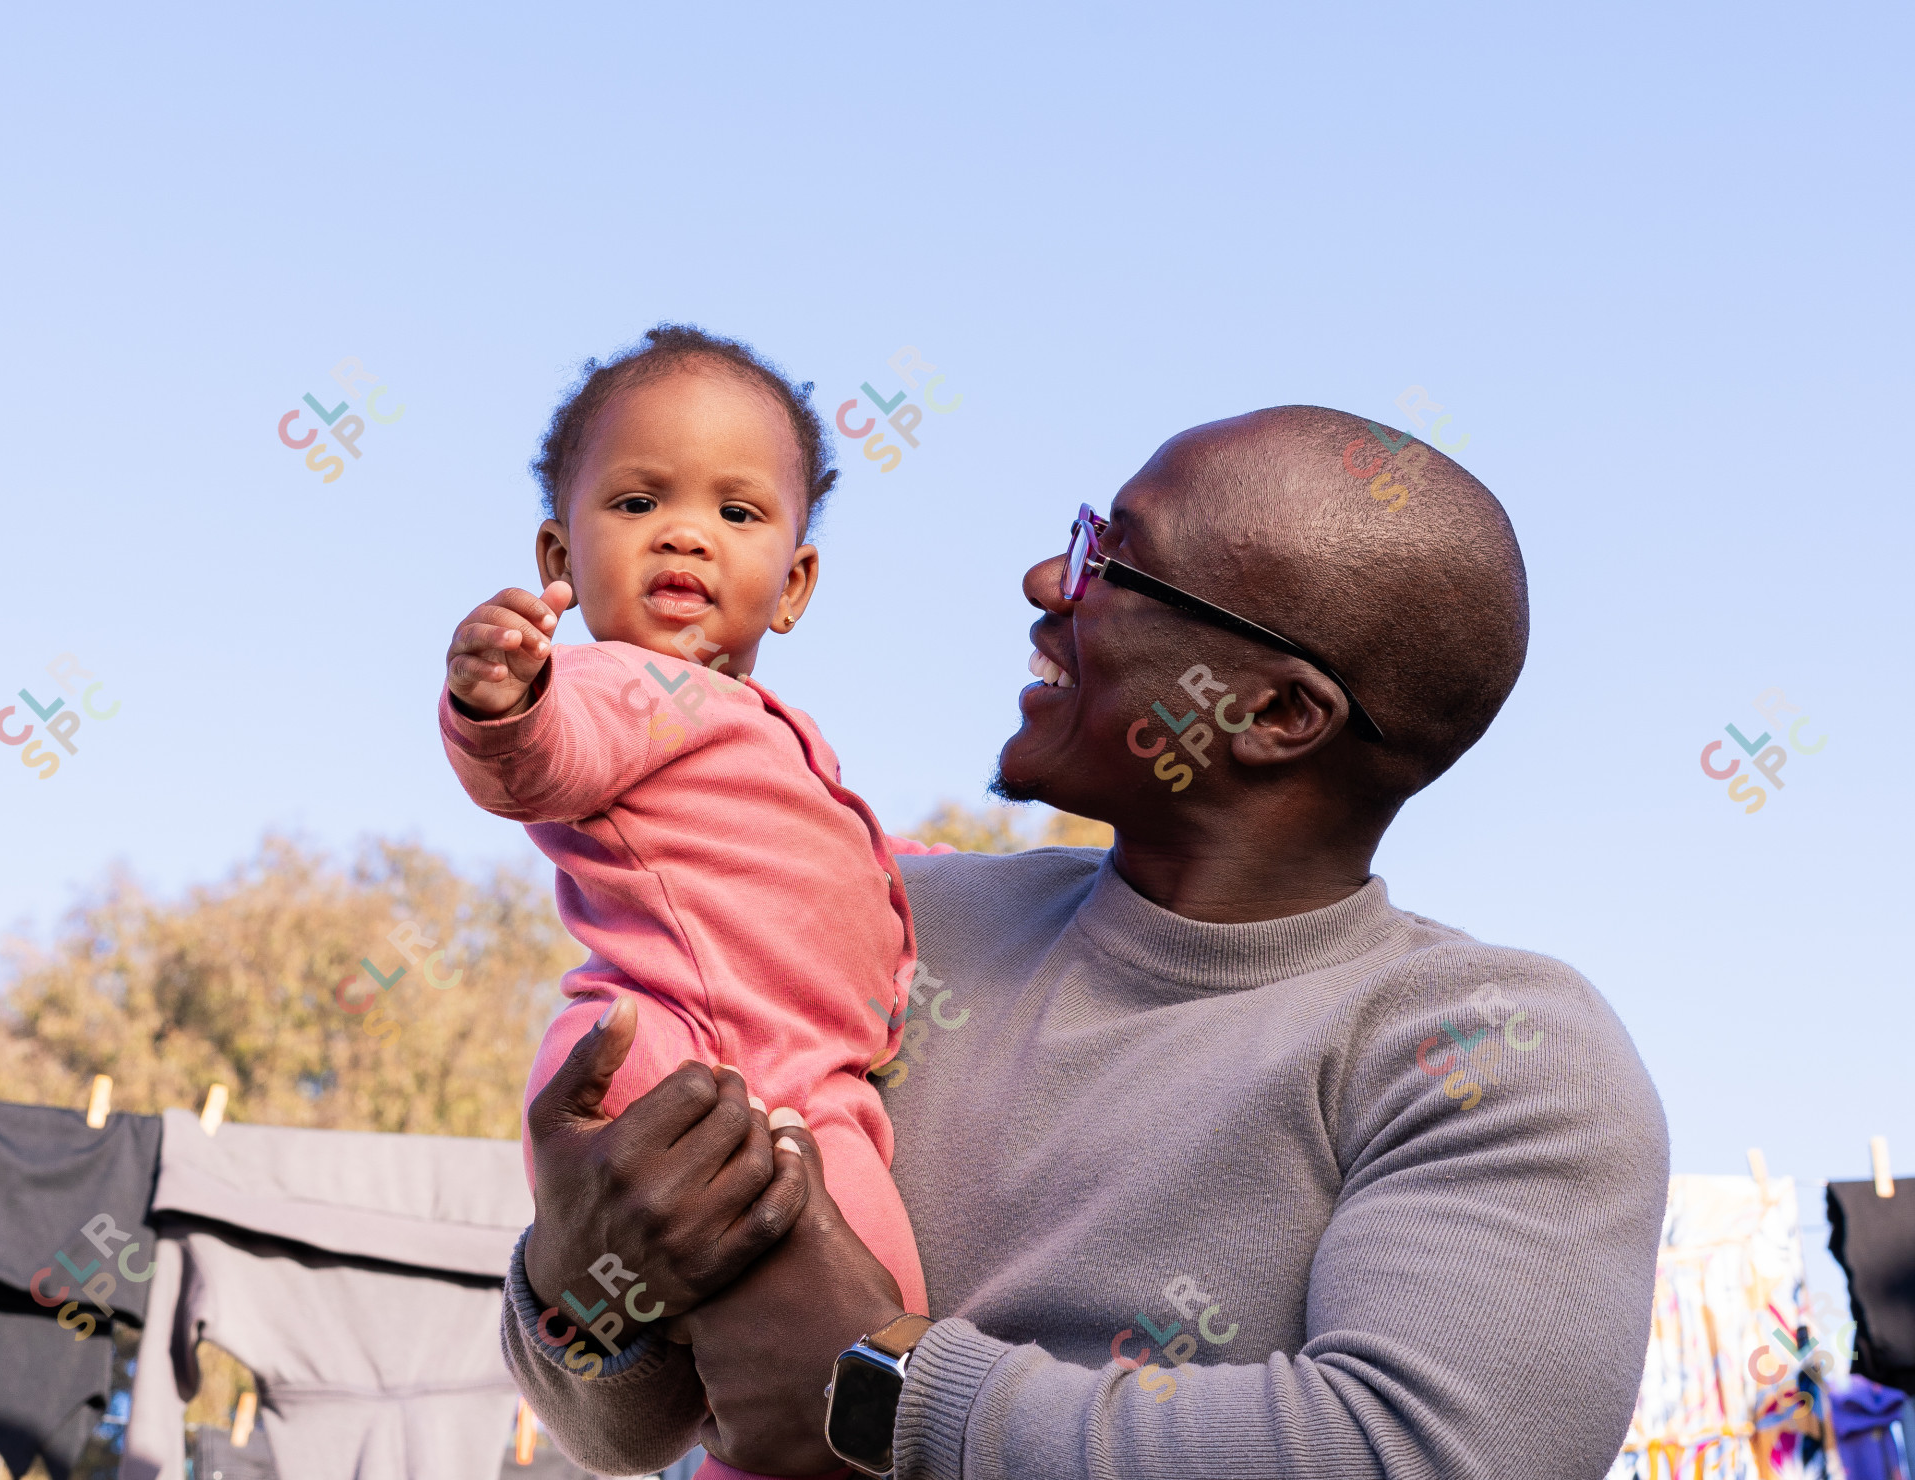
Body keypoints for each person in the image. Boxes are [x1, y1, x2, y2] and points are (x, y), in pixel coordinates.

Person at [501, 405, 1671, 1479]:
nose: (1047, 578)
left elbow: (1413, 1453)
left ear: (1275, 714)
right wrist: (581, 1284)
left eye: (1116, 563)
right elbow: (631, 1429)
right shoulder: (890, 925)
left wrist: (891, 1387)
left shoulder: (1493, 1052)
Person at [440, 326, 945, 1477]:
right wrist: (503, 701)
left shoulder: (767, 733)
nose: (683, 531)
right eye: (635, 502)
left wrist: (924, 870)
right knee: (837, 1350)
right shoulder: (617, 684)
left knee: (875, 1317)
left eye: (737, 512)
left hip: (798, 1081)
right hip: (672, 1052)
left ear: (796, 584)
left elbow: (834, 865)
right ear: (560, 552)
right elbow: (543, 759)